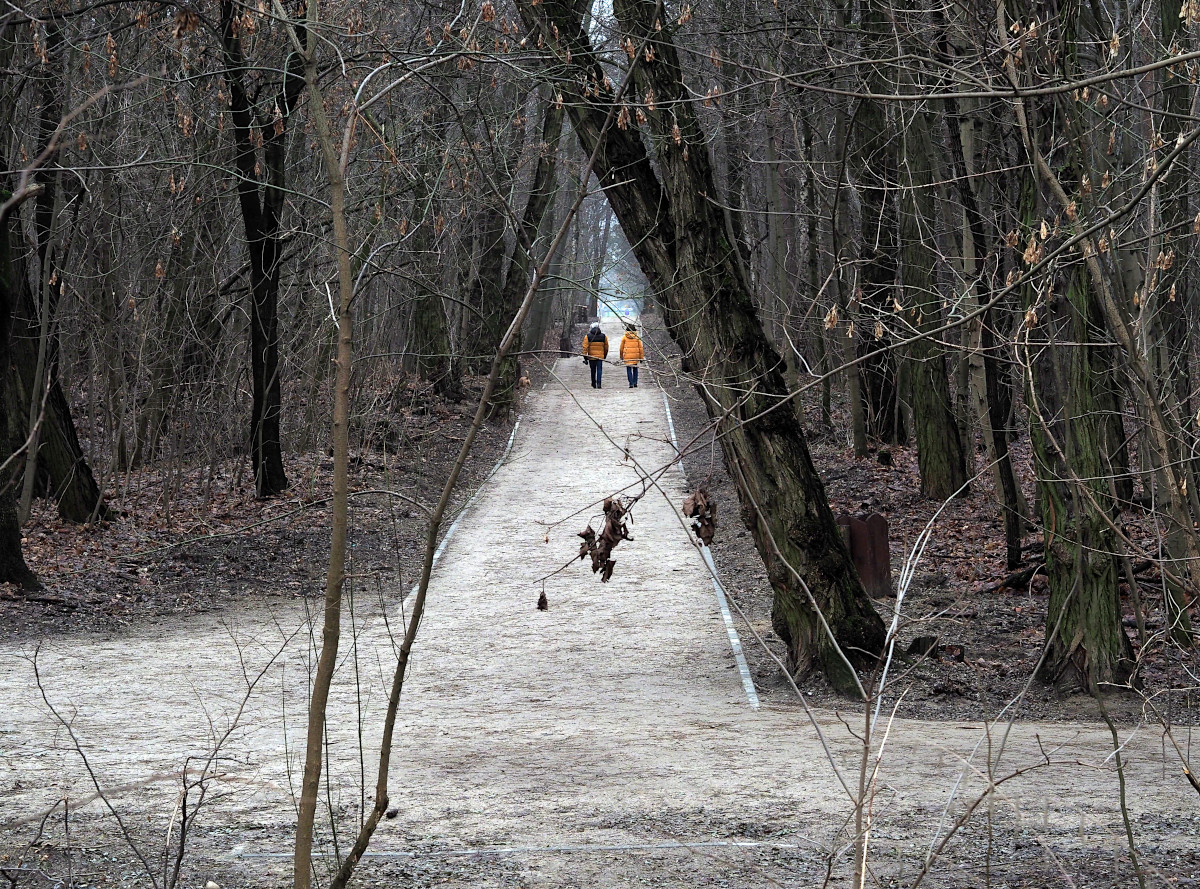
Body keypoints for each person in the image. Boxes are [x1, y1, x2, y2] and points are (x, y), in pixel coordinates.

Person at [582, 322, 608, 388]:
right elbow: (606, 347)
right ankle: (599, 383)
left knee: (593, 370)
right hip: (600, 356)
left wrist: (585, 356)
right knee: (599, 370)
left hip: (591, 356)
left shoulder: (588, 336)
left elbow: (585, 347)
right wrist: (604, 355)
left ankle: (593, 383)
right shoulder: (603, 336)